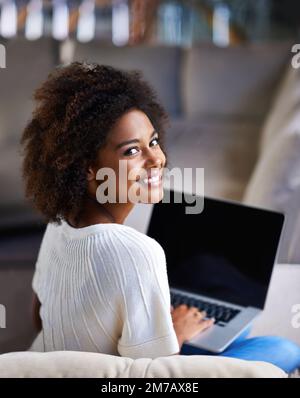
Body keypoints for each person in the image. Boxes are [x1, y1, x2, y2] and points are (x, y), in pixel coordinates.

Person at [22, 62, 300, 373]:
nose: (156, 159)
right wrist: (176, 331)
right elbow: (155, 373)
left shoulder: (59, 221)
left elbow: (39, 315)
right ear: (87, 167)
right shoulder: (140, 252)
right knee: (282, 349)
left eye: (153, 142)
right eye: (131, 152)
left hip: (65, 363)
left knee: (229, 326)